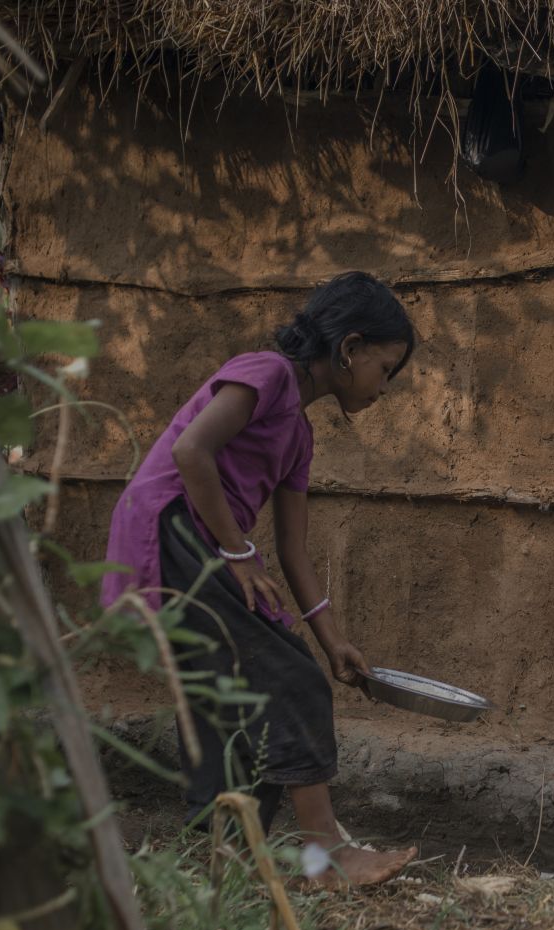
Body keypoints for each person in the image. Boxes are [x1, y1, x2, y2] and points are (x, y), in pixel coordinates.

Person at [101, 272, 418, 886]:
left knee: (234, 705)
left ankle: (220, 858)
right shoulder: (267, 374)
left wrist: (333, 641)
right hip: (174, 529)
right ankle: (325, 857)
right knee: (289, 681)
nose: (385, 388)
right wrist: (237, 551)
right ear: (349, 349)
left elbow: (294, 552)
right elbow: (191, 452)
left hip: (213, 543)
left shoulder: (299, 434)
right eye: (386, 368)